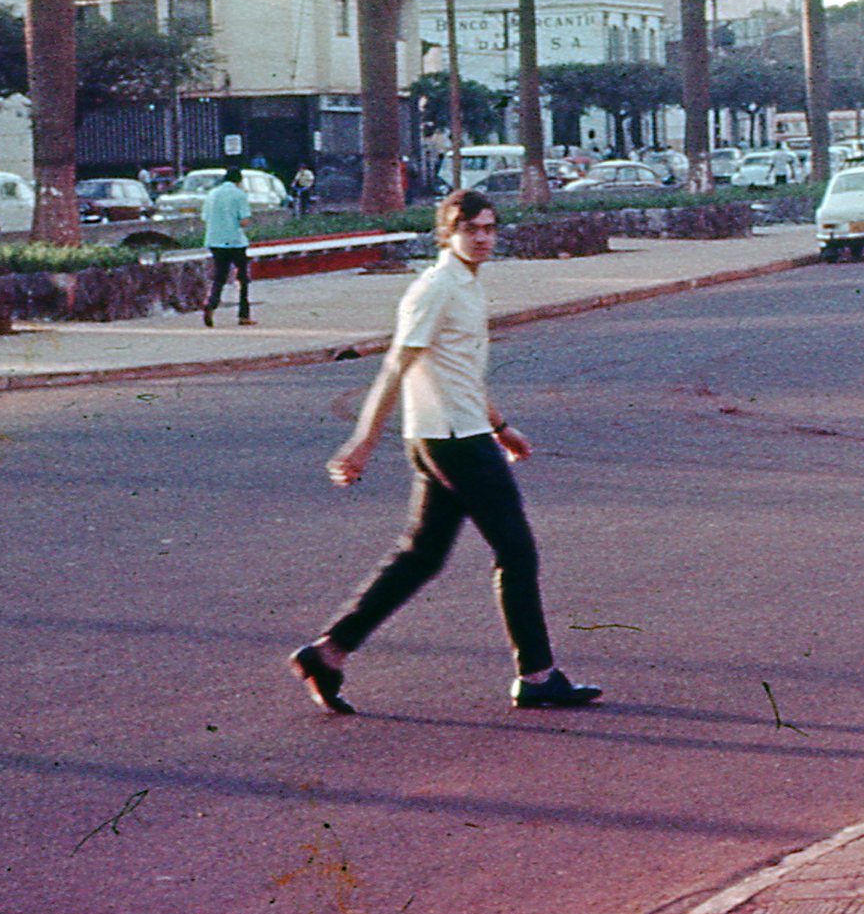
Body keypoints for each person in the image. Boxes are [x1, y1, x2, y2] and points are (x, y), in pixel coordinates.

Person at [290, 190, 600, 716]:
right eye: (469, 228)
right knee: (517, 553)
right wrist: (363, 441)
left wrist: (501, 427)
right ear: (446, 233)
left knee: (422, 557)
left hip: (456, 434)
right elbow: (395, 366)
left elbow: (460, 372)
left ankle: (329, 652)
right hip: (453, 442)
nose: (481, 238)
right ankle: (537, 675)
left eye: (489, 228)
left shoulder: (469, 286)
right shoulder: (435, 288)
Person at [202, 169, 255, 327]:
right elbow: (244, 221)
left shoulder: (211, 194)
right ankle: (243, 316)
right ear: (239, 180)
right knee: (243, 279)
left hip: (214, 241)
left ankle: (211, 304)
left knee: (220, 277)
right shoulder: (239, 194)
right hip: (235, 241)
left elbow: (205, 217)